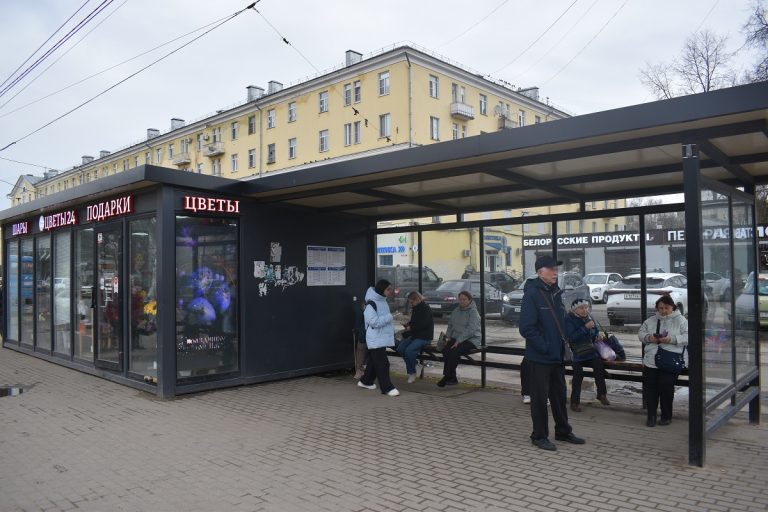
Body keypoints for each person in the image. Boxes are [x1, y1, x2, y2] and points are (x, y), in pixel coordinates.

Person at [519, 255, 585, 451]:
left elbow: (560, 322)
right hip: (540, 356)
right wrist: (545, 346)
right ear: (540, 272)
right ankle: (539, 436)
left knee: (559, 396)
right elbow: (526, 328)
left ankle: (563, 431)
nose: (555, 272)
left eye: (556, 269)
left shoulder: (555, 292)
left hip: (557, 355)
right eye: (551, 269)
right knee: (540, 399)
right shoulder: (532, 294)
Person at [638, 295, 688, 427]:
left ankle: (666, 416)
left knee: (666, 387)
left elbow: (688, 337)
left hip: (670, 360)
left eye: (667, 308)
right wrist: (649, 338)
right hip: (651, 360)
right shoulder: (650, 320)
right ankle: (651, 416)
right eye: (661, 308)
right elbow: (641, 334)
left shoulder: (681, 320)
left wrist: (672, 339)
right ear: (657, 308)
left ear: (673, 307)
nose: (664, 311)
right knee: (650, 388)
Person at [564, 298, 610, 412]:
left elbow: (595, 332)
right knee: (578, 374)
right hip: (576, 353)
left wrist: (597, 336)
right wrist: (585, 328)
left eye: (586, 307)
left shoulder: (590, 317)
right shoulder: (569, 319)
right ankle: (574, 402)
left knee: (599, 366)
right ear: (575, 309)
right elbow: (571, 337)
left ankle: (601, 394)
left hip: (590, 351)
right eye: (581, 308)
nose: (585, 310)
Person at [358, 279, 400, 397]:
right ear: (382, 289)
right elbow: (373, 322)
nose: (390, 291)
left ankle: (365, 381)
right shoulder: (371, 304)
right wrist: (389, 317)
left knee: (374, 362)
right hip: (375, 339)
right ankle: (387, 388)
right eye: (388, 289)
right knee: (383, 363)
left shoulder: (382, 301)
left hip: (380, 338)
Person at [437, 290, 481, 387]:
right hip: (456, 338)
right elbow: (450, 326)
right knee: (446, 350)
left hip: (471, 339)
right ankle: (452, 378)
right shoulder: (456, 311)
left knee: (454, 351)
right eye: (460, 299)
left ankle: (447, 376)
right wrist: (448, 337)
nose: (462, 301)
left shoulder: (473, 312)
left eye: (464, 299)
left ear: (470, 300)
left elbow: (471, 330)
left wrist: (458, 341)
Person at [397, 291, 434, 383]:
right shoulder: (416, 308)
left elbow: (424, 324)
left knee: (409, 351)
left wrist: (411, 327)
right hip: (415, 335)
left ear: (417, 300)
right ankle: (416, 365)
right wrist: (408, 324)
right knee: (401, 348)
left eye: (412, 302)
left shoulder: (425, 308)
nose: (411, 304)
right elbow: (415, 321)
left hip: (425, 337)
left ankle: (412, 372)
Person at [352, 297, 368, 379]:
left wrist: (357, 331)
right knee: (363, 351)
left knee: (361, 351)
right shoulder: (364, 312)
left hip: (363, 335)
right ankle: (361, 370)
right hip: (365, 335)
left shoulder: (361, 312)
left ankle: (360, 370)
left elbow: (357, 324)